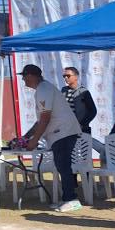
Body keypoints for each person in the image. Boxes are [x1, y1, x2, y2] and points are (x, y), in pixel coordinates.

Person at [19, 63, 82, 212]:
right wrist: (26, 137)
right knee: (62, 166)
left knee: (63, 166)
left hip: (63, 132)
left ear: (31, 76)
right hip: (61, 132)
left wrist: (34, 141)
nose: (23, 80)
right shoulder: (43, 89)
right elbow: (40, 120)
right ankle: (67, 198)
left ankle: (71, 200)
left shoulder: (44, 90)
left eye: (24, 76)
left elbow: (45, 118)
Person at [61, 66, 97, 134]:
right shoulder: (63, 90)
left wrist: (82, 124)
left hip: (80, 130)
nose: (65, 78)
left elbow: (93, 111)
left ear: (76, 77)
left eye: (68, 76)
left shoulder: (84, 92)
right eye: (64, 76)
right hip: (66, 129)